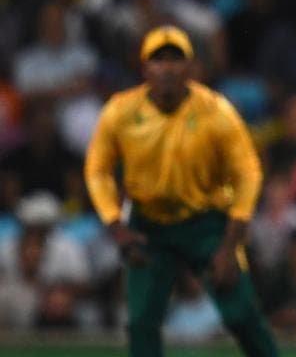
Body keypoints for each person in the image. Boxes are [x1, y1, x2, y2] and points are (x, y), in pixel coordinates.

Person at [83, 26, 278, 357]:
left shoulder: (216, 111)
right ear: (144, 68)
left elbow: (248, 172)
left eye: (176, 59)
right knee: (141, 323)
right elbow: (97, 170)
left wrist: (229, 244)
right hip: (149, 226)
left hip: (206, 224)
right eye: (158, 60)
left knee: (242, 316)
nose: (167, 68)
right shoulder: (120, 112)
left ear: (191, 67)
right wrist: (116, 227)